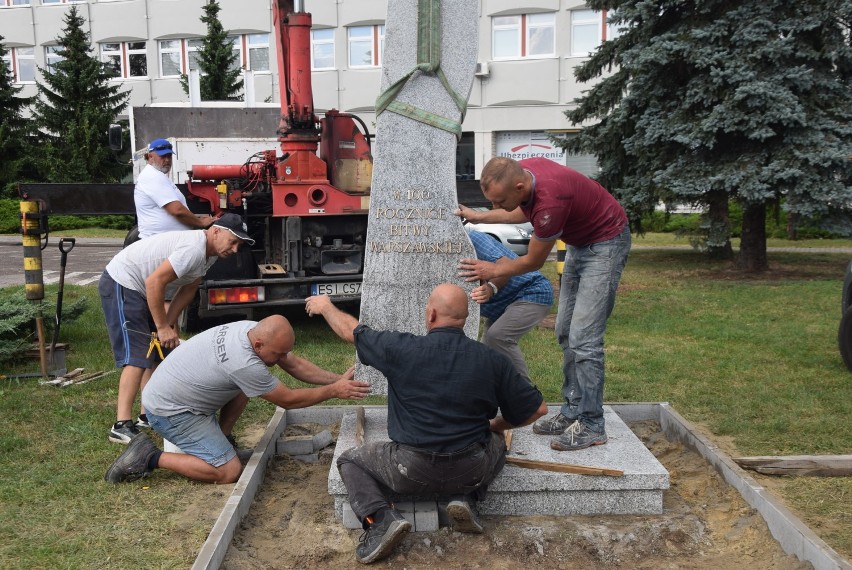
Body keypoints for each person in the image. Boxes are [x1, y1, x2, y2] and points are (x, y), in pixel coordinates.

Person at [305, 285, 547, 564]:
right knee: (495, 440)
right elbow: (537, 409)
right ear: (466, 319)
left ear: (430, 315)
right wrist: (498, 424)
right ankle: (466, 498)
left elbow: (352, 331)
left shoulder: (399, 349)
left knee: (350, 460)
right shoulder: (492, 360)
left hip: (409, 469)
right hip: (471, 469)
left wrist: (325, 307)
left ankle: (380, 519)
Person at [456, 157, 630, 452]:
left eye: (499, 200)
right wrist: (478, 216)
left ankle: (591, 423)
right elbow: (521, 210)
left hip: (606, 244)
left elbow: (532, 261)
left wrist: (492, 271)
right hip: (580, 242)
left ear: (519, 186)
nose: (498, 205)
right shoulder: (526, 173)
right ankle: (573, 411)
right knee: (564, 332)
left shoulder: (551, 202)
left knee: (584, 340)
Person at [104, 315, 371, 485]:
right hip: (170, 411)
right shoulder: (243, 363)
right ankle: (148, 456)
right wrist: (334, 391)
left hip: (178, 394)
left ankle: (221, 439)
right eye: (277, 354)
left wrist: (336, 380)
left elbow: (294, 364)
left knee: (248, 386)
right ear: (259, 346)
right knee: (228, 472)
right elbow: (288, 400)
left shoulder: (249, 330)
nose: (281, 359)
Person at [99, 213, 254, 445]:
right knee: (138, 355)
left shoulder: (208, 255)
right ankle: (121, 425)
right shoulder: (193, 248)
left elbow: (188, 290)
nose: (234, 249)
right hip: (123, 282)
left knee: (154, 352)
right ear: (216, 231)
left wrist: (169, 323)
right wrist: (161, 326)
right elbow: (154, 282)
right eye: (233, 241)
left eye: (238, 245)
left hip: (140, 289)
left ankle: (145, 416)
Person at [467, 229, 553, 383]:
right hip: (501, 306)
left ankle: (526, 397)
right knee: (485, 352)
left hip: (531, 291)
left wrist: (491, 288)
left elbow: (505, 265)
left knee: (498, 336)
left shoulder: (473, 239)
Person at [134, 137, 216, 239]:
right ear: (150, 157)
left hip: (165, 240)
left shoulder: (158, 175)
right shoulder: (152, 176)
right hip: (160, 242)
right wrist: (200, 222)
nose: (167, 160)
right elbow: (177, 210)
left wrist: (195, 218)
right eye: (163, 156)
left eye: (169, 156)